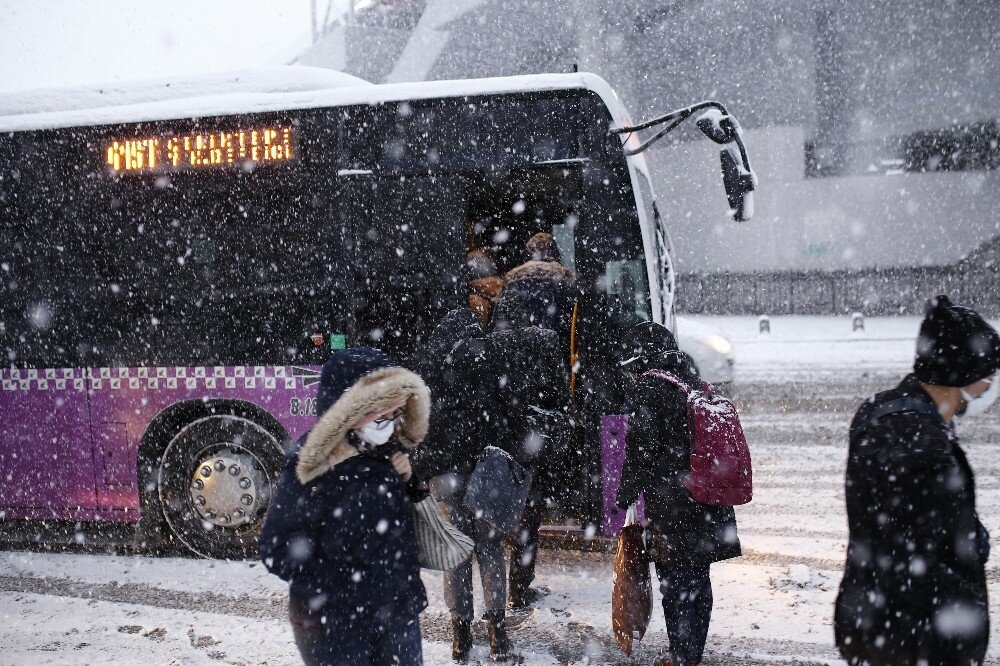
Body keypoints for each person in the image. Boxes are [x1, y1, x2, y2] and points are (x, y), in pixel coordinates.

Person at [834, 295, 999, 666]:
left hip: (877, 618)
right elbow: (913, 552)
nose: (988, 389)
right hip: (911, 636)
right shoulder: (915, 439)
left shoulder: (889, 411)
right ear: (960, 374)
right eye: (986, 379)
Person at [259, 347, 431, 666]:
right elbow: (277, 549)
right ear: (346, 410)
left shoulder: (389, 453)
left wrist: (409, 482)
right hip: (335, 625)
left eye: (395, 413)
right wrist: (346, 589)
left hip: (397, 614)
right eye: (379, 412)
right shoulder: (311, 466)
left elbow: (396, 529)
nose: (389, 422)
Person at [615, 322, 742, 666]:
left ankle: (682, 657)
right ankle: (691, 653)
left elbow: (641, 451)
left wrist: (623, 494)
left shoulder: (650, 388)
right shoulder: (691, 380)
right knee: (698, 581)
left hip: (674, 504)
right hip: (707, 498)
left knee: (676, 584)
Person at [412, 267, 509, 663]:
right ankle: (498, 634)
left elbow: (419, 423)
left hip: (445, 473)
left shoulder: (429, 364)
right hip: (484, 469)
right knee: (490, 549)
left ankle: (460, 635)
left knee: (456, 552)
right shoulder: (487, 357)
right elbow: (504, 414)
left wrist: (423, 467)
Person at [490, 232, 578, 612]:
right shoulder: (567, 287)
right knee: (533, 497)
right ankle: (520, 584)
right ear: (553, 253)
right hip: (542, 409)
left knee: (508, 493)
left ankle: (505, 582)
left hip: (510, 406)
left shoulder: (508, 289)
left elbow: (494, 345)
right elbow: (573, 346)